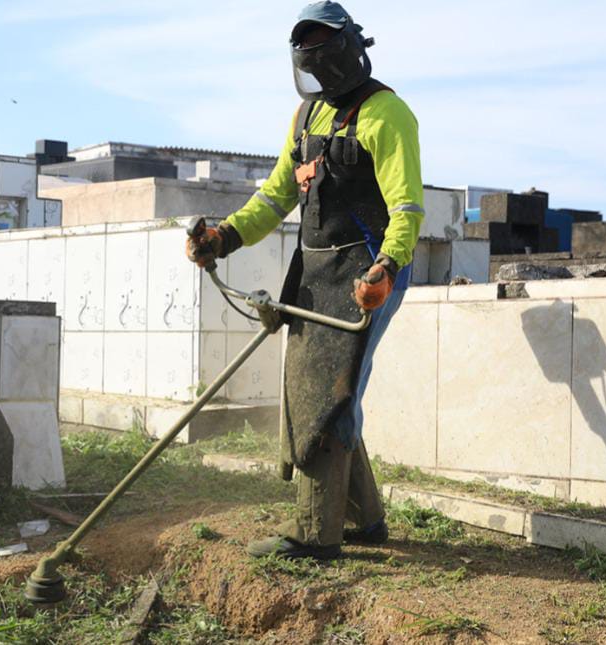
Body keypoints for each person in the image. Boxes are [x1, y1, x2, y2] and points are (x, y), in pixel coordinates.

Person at [186, 1, 424, 560]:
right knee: (319, 391)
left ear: (351, 49)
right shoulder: (305, 119)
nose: (321, 65)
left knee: (328, 393)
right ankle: (364, 519)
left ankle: (315, 535)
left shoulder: (388, 114)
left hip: (368, 268)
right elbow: (275, 196)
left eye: (327, 49)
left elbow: (408, 209)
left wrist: (385, 270)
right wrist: (224, 237)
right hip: (315, 271)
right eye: (310, 53)